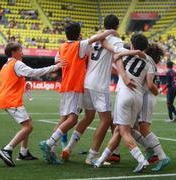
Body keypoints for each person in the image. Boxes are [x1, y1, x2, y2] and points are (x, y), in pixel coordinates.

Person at [39, 23, 118, 164]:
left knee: (65, 118)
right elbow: (95, 39)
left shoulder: (62, 46)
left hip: (65, 86)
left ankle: (53, 150)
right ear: (78, 34)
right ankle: (49, 143)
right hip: (75, 86)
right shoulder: (79, 46)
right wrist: (110, 31)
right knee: (73, 119)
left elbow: (57, 61)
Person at [60, 14, 126, 164]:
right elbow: (120, 55)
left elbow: (96, 59)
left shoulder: (95, 37)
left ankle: (69, 148)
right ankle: (92, 156)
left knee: (88, 117)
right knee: (106, 119)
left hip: (86, 82)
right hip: (100, 85)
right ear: (116, 26)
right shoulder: (116, 40)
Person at [93, 34, 159, 173]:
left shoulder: (123, 53)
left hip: (125, 94)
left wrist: (130, 53)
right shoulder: (149, 61)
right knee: (118, 130)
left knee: (124, 131)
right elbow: (149, 83)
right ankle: (100, 161)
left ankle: (142, 160)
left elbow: (115, 57)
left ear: (132, 45)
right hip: (138, 97)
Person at [0, 42, 65, 167]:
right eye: (20, 50)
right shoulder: (16, 63)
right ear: (13, 52)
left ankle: (23, 152)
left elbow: (9, 83)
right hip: (11, 100)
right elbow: (33, 72)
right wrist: (55, 67)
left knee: (28, 122)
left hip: (5, 99)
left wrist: (23, 84)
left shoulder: (5, 66)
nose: (22, 53)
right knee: (28, 127)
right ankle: (7, 149)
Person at [131, 43, 171, 171]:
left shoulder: (149, 63)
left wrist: (156, 92)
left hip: (147, 98)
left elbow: (149, 85)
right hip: (143, 97)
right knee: (130, 128)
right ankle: (150, 150)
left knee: (143, 129)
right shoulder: (149, 63)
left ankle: (162, 157)